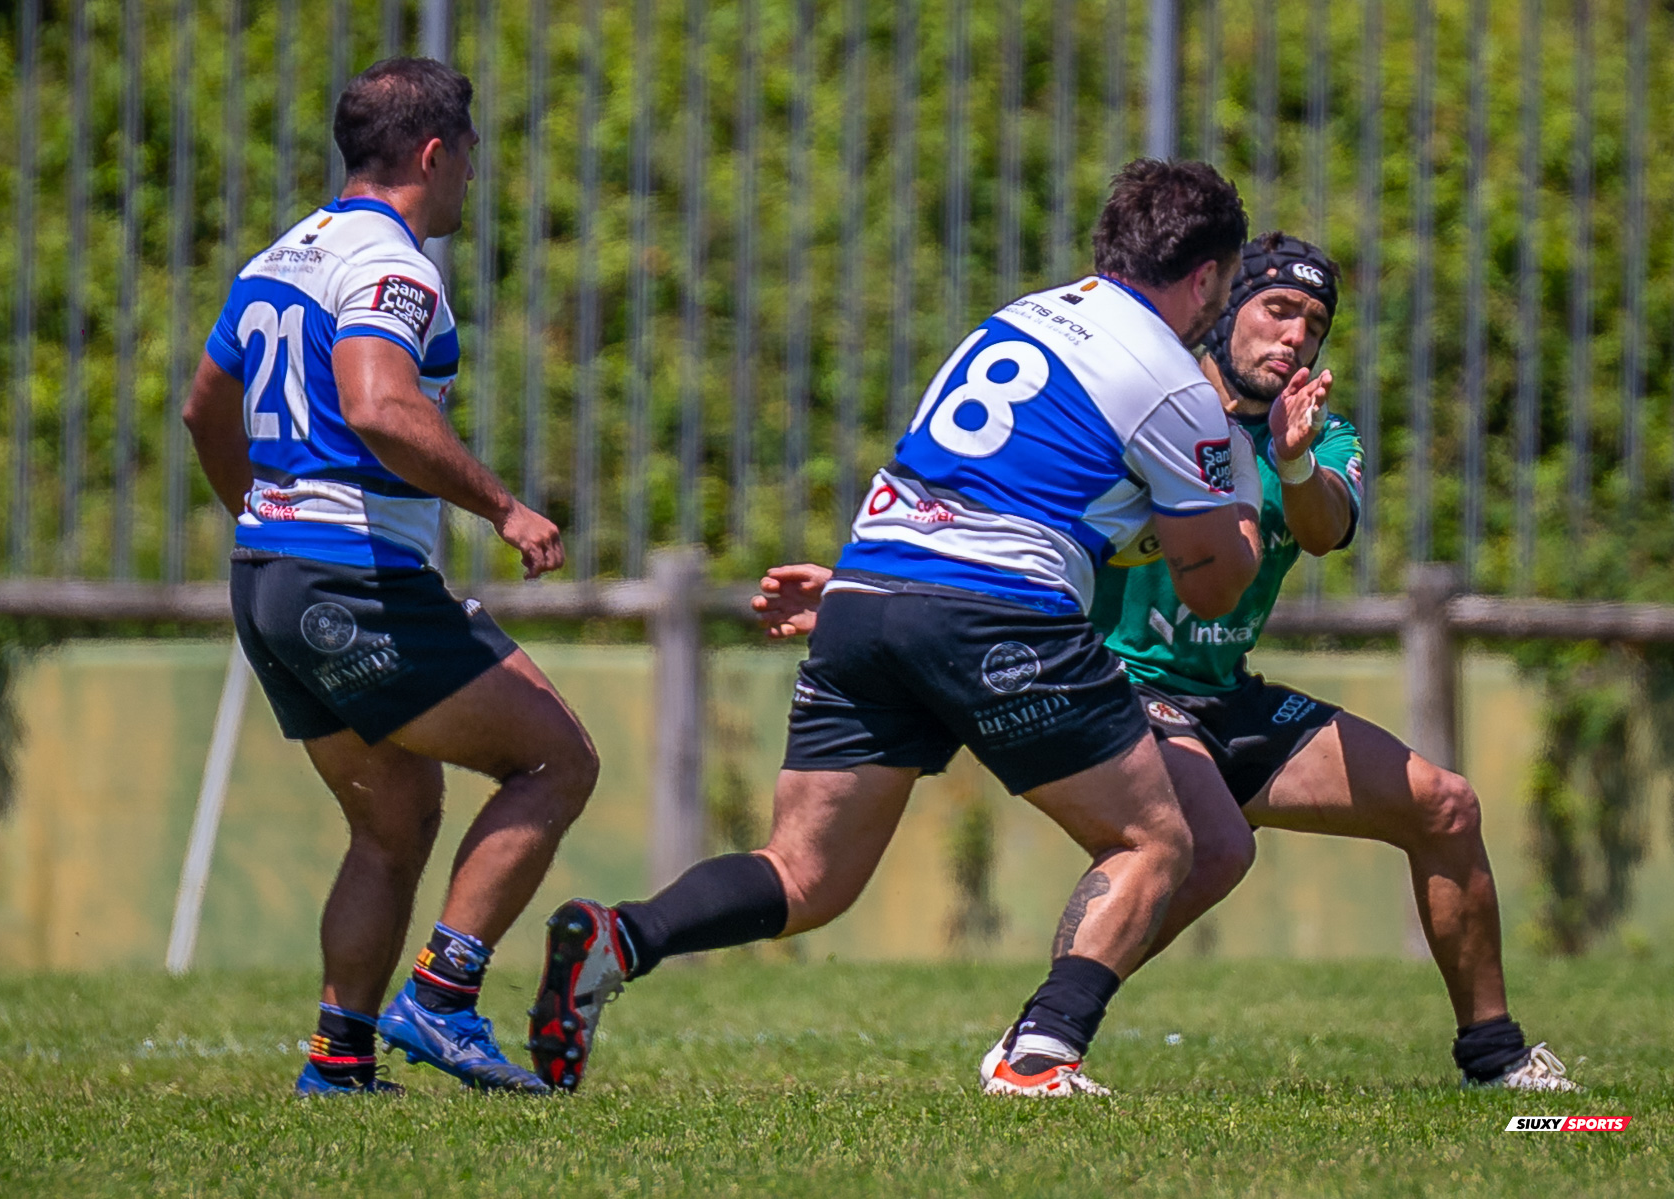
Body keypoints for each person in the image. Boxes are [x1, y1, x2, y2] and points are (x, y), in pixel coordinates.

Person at [753, 232, 1581, 1093]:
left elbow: (1326, 528)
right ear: (1224, 308)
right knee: (1214, 847)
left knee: (1445, 805)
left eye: (1314, 323)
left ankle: (1496, 1059)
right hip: (1113, 682)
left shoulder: (1318, 437)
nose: (1294, 336)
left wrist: (1293, 462)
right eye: (1277, 310)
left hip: (1222, 694)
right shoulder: (1145, 401)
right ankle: (1042, 1041)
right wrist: (865, 583)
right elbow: (999, 506)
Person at [528, 158, 1269, 1099]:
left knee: (804, 874)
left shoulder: (1021, 317)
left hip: (870, 590)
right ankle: (1039, 1056)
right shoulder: (1174, 386)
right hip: (996, 611)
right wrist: (1241, 500)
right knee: (1159, 842)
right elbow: (1212, 591)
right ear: (1206, 277)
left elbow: (984, 485)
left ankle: (621, 936)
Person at [182, 57, 598, 1097]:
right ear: (433, 153)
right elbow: (377, 401)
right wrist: (504, 505)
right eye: (469, 158)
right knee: (556, 760)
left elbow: (204, 408)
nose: (471, 179)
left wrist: (260, 513)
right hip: (348, 575)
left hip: (269, 575)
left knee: (395, 813)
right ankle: (444, 996)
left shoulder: (283, 254)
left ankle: (337, 1060)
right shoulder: (393, 265)